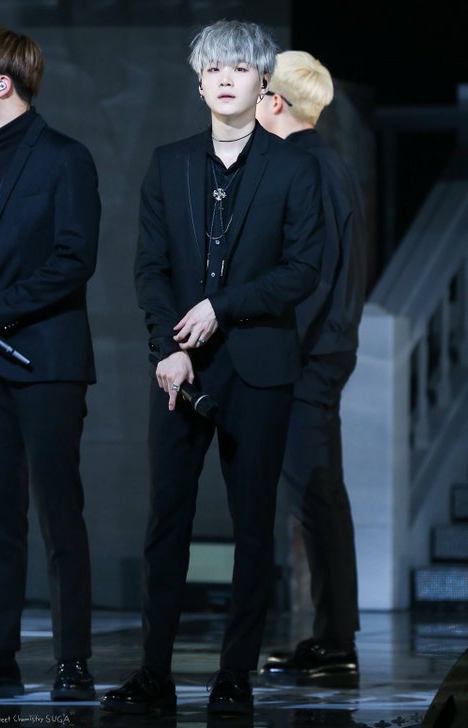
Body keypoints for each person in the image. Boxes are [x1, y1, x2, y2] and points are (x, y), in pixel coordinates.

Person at [100, 20, 325, 717]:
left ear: (263, 83)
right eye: (213, 69)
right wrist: (165, 348)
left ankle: (235, 673)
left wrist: (220, 308)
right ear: (199, 83)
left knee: (253, 525)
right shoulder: (169, 163)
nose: (226, 78)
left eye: (240, 68)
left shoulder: (293, 167)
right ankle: (154, 672)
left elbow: (303, 270)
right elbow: (150, 269)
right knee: (166, 520)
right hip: (180, 366)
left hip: (259, 367)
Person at [0, 29, 100, 699]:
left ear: (2, 83)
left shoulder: (64, 157)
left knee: (60, 514)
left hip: (46, 361)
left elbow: (73, 259)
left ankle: (72, 660)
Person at [256, 51, 366, 685]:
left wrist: (279, 352)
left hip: (309, 356)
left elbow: (314, 276)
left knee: (317, 495)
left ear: (274, 100)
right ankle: (331, 637)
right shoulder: (327, 163)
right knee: (317, 494)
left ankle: (336, 643)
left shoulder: (308, 167)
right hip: (320, 351)